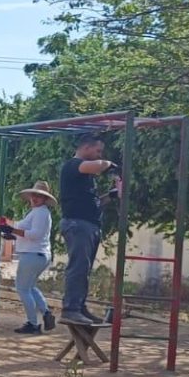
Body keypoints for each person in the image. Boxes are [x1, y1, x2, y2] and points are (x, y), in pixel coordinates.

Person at [58, 134, 121, 327]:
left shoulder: (85, 179)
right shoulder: (73, 165)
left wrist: (112, 195)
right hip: (78, 225)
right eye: (98, 151)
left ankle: (79, 306)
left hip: (89, 224)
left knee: (83, 269)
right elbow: (99, 166)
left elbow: (95, 203)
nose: (99, 155)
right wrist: (112, 165)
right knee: (78, 267)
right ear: (86, 147)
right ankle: (70, 309)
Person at [0, 181, 57, 334]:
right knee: (30, 287)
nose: (35, 198)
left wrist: (12, 230)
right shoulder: (38, 212)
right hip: (38, 254)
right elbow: (29, 234)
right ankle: (46, 313)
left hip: (32, 255)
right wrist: (12, 234)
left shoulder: (40, 213)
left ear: (45, 199)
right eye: (34, 195)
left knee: (23, 288)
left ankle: (33, 323)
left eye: (39, 196)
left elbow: (35, 235)